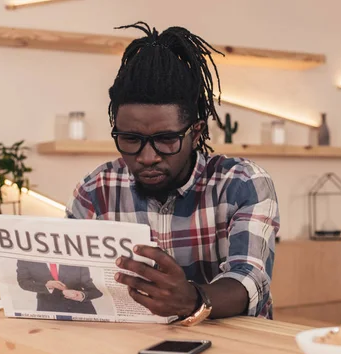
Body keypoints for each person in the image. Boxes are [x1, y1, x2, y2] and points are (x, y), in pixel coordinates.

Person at [66, 22, 279, 324]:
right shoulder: (94, 192)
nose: (147, 157)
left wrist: (193, 299)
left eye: (166, 140)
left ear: (196, 132)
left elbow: (249, 280)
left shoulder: (242, 184)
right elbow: (76, 279)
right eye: (130, 140)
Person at [16, 260, 103, 314]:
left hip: (81, 311)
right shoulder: (26, 260)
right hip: (48, 310)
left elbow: (95, 291)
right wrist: (46, 286)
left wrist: (81, 295)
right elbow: (23, 282)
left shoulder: (75, 257)